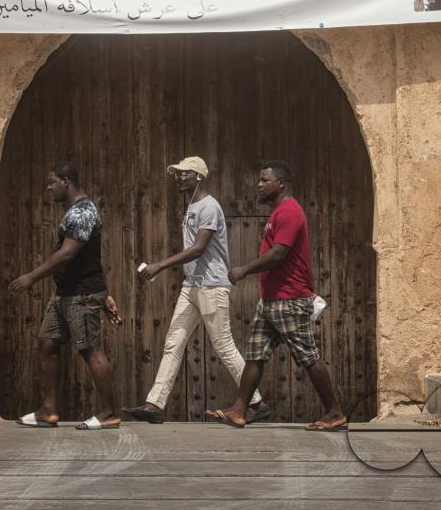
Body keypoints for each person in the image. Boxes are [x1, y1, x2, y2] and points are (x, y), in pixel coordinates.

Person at [122, 156, 267, 424]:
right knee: (173, 343)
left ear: (198, 176)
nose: (179, 178)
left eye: (184, 174)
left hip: (212, 285)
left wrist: (160, 265)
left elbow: (198, 248)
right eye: (177, 174)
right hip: (192, 286)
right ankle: (155, 404)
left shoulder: (209, 207)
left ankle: (256, 401)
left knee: (223, 346)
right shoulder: (191, 205)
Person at [205, 161, 346, 431]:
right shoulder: (277, 212)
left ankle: (334, 411)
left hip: (289, 300)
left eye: (264, 180)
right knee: (255, 354)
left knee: (308, 356)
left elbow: (279, 253)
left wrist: (244, 269)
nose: (259, 185)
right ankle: (239, 410)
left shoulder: (290, 212)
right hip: (272, 301)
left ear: (280, 183)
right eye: (259, 180)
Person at [9, 162, 122, 430]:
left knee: (90, 350)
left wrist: (32, 277)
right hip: (65, 294)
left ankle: (110, 413)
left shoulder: (83, 212)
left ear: (66, 182)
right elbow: (91, 257)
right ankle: (49, 410)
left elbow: (68, 253)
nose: (48, 188)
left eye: (52, 183)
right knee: (48, 344)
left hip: (81, 294)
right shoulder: (74, 211)